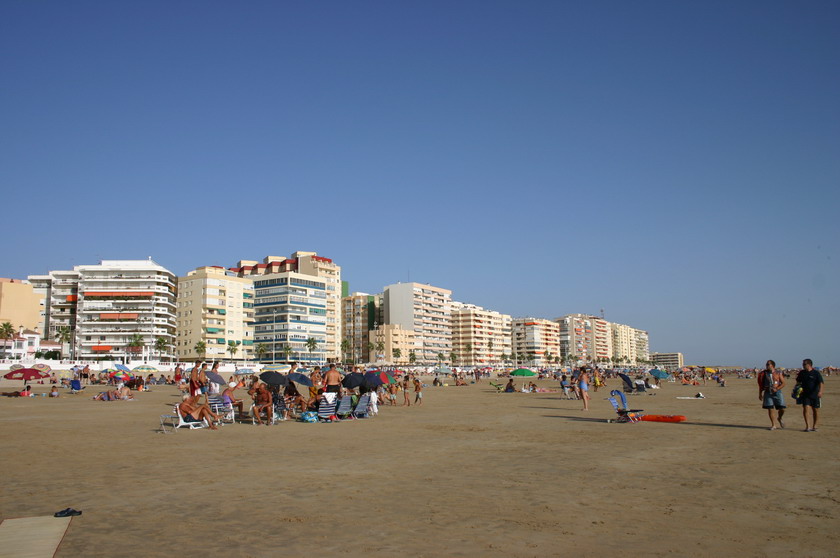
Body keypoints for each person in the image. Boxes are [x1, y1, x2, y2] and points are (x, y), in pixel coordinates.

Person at [796, 359, 824, 432]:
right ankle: (808, 426)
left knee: (815, 410)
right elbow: (798, 382)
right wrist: (797, 390)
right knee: (805, 409)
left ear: (809, 364)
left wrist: (820, 391)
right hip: (805, 394)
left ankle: (815, 426)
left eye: (804, 364)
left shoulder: (816, 373)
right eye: (803, 364)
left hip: (815, 394)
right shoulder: (802, 373)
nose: (803, 365)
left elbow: (821, 383)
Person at [758, 360, 786, 430]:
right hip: (768, 392)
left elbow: (783, 383)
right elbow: (761, 385)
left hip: (777, 392)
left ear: (772, 365)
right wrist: (760, 393)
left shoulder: (778, 373)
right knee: (770, 408)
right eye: (766, 364)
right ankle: (773, 425)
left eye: (768, 364)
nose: (766, 366)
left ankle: (779, 418)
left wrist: (777, 389)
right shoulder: (764, 373)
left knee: (782, 408)